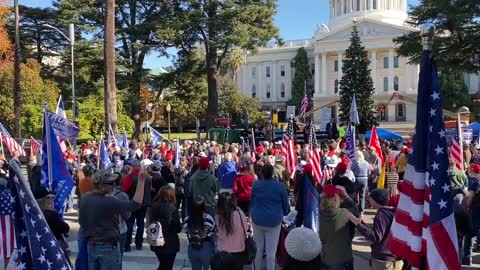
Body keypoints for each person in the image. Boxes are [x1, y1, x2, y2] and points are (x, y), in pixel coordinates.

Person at [79, 169, 147, 270]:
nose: (114, 185)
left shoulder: (84, 198)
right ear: (101, 186)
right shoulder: (108, 201)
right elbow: (135, 204)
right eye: (111, 183)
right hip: (108, 247)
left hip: (91, 246)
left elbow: (81, 222)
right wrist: (141, 181)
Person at [348, 189, 403, 270]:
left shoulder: (381, 215)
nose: (368, 200)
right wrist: (361, 223)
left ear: (377, 200)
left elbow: (375, 236)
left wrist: (358, 224)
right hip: (396, 259)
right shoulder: (394, 212)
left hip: (383, 262)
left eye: (370, 198)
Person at [251, 165, 290, 270]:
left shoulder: (256, 185)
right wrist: (284, 213)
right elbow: (286, 204)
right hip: (274, 221)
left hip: (258, 219)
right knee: (271, 252)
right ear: (272, 173)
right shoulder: (280, 186)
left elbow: (252, 202)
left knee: (258, 250)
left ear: (262, 173)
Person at [319, 184, 355, 270]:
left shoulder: (319, 215)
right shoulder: (344, 213)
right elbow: (356, 212)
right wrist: (346, 196)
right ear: (336, 199)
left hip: (328, 257)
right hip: (346, 255)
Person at [34, 187, 71, 265]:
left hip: (40, 248)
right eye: (49, 198)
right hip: (55, 246)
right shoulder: (50, 214)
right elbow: (65, 228)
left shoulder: (33, 214)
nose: (51, 199)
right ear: (44, 200)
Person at [121, 160, 152, 251]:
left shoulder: (129, 177)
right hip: (143, 204)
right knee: (141, 223)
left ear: (132, 167)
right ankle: (139, 244)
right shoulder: (147, 177)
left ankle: (127, 245)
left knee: (129, 224)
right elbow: (149, 189)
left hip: (132, 203)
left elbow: (124, 189)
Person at [149, 185, 182, 270]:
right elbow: (178, 228)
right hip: (170, 242)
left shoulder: (153, 206)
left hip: (156, 240)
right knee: (167, 266)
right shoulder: (173, 208)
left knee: (163, 264)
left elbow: (151, 223)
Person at [215, 192, 248, 270]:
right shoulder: (240, 213)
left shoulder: (218, 216)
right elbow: (245, 228)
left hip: (222, 251)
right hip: (239, 251)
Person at [184, 196, 216, 270]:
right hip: (206, 247)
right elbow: (213, 230)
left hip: (192, 247)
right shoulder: (208, 218)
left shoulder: (187, 220)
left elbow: (186, 231)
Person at [110, 172, 130, 269]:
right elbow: (127, 215)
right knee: (118, 256)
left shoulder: (102, 193)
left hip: (105, 229)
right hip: (119, 229)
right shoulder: (122, 195)